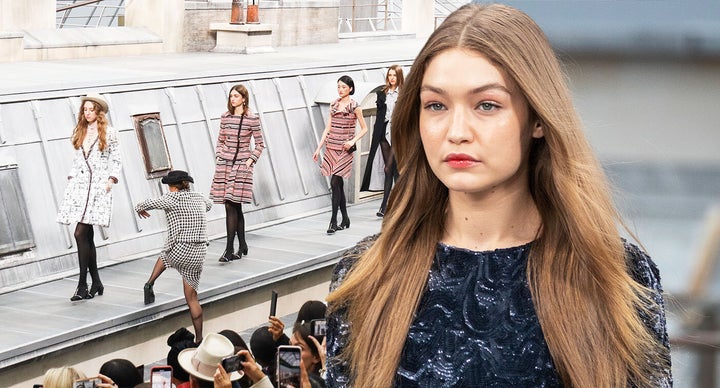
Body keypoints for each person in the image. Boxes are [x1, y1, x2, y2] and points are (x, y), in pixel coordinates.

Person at [325, 4, 672, 387]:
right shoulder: (365, 277)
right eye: (436, 105)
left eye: (487, 105)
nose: (457, 131)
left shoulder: (615, 278)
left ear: (538, 118)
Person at [57, 93, 122, 301]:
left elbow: (117, 158)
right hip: (80, 187)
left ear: (98, 112)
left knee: (79, 233)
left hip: (98, 188)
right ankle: (96, 282)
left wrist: (111, 180)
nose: (87, 113)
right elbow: (77, 160)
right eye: (84, 109)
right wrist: (72, 177)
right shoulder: (81, 131)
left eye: (91, 109)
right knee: (87, 236)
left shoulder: (110, 133)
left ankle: (81, 284)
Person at [136, 170, 212, 341]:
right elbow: (209, 205)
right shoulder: (198, 197)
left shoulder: (171, 198)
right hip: (198, 253)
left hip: (179, 249)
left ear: (172, 186)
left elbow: (145, 203)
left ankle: (149, 283)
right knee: (192, 298)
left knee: (166, 254)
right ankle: (199, 338)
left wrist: (139, 209)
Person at [211, 84, 265, 262]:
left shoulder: (251, 118)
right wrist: (219, 154)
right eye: (231, 96)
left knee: (230, 204)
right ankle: (242, 245)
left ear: (243, 98)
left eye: (236, 96)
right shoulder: (225, 117)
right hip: (225, 164)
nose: (232, 99)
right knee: (234, 205)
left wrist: (250, 160)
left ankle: (229, 249)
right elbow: (220, 140)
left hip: (242, 164)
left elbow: (260, 144)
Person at [312, 75, 369, 234]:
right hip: (331, 147)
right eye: (338, 87)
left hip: (345, 148)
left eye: (344, 87)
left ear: (350, 88)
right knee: (337, 184)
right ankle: (345, 218)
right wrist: (319, 147)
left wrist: (353, 141)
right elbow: (328, 127)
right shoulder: (333, 105)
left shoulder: (355, 106)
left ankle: (333, 221)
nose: (340, 89)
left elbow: (364, 128)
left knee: (335, 181)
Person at [360, 65, 404, 217]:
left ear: (399, 77)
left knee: (388, 168)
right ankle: (394, 206)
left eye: (394, 75)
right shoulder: (382, 94)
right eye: (390, 75)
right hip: (383, 133)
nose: (392, 78)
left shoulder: (404, 94)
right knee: (392, 171)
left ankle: (385, 205)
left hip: (397, 133)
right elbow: (380, 116)